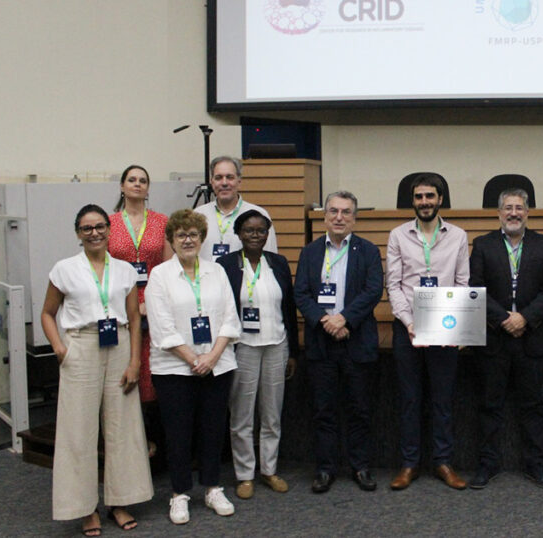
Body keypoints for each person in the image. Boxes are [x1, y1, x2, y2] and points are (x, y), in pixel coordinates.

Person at [40, 204, 152, 536]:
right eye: (87, 228)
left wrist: (135, 361)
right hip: (81, 346)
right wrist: (59, 347)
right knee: (78, 431)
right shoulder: (64, 269)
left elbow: (134, 319)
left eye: (100, 226)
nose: (95, 233)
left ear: (109, 229)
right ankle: (84, 507)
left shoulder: (124, 271)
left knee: (123, 429)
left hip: (118, 346)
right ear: (78, 233)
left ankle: (120, 501)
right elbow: (47, 312)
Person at [145, 209, 241, 524]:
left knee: (213, 430)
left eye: (194, 235)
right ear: (171, 240)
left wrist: (211, 357)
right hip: (173, 369)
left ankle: (212, 488)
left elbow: (230, 317)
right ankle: (179, 493)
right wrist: (192, 359)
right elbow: (161, 327)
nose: (188, 240)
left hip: (217, 364)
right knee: (178, 433)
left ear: (202, 239)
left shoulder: (216, 271)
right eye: (181, 235)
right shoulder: (159, 275)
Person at [468, 188, 543, 490]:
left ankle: (536, 465)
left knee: (533, 405)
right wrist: (504, 318)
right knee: (489, 405)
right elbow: (476, 286)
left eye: (519, 208)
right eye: (508, 208)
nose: (513, 213)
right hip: (494, 338)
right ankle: (487, 464)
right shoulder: (483, 245)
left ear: (527, 212)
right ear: (498, 213)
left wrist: (525, 317)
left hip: (532, 337)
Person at [294, 191, 384, 493]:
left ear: (354, 218)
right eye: (333, 211)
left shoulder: (368, 251)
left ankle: (360, 467)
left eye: (346, 212)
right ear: (324, 216)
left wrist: (343, 319)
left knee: (360, 409)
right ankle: (325, 468)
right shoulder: (310, 252)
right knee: (324, 410)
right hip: (321, 342)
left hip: (356, 342)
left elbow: (373, 291)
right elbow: (301, 294)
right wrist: (325, 321)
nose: (339, 217)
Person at [386, 173, 470, 490]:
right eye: (419, 197)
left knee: (443, 400)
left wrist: (446, 325)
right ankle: (409, 464)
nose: (425, 202)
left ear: (440, 199)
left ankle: (443, 462)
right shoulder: (398, 235)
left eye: (430, 196)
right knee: (409, 399)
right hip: (407, 329)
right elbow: (393, 284)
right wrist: (410, 322)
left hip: (444, 327)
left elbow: (462, 283)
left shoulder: (458, 236)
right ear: (413, 201)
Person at [216, 210, 297, 500]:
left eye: (261, 230)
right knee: (242, 414)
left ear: (267, 234)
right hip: (243, 347)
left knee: (272, 413)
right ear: (238, 234)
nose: (255, 235)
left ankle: (269, 470)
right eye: (249, 230)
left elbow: (288, 308)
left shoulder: (277, 263)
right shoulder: (225, 265)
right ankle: (244, 474)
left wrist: (293, 352)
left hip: (277, 344)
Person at [107, 164, 173, 456]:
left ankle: (155, 440)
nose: (137, 184)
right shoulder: (108, 223)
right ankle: (128, 442)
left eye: (142, 181)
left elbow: (170, 268)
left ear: (148, 188)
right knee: (123, 369)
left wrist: (149, 304)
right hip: (119, 306)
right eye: (131, 180)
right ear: (122, 186)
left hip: (154, 305)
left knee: (151, 373)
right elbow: (103, 268)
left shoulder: (161, 222)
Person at [194, 156, 278, 261]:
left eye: (230, 177)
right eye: (218, 178)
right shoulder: (197, 215)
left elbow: (270, 258)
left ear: (239, 181)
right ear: (212, 182)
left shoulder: (258, 215)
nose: (224, 183)